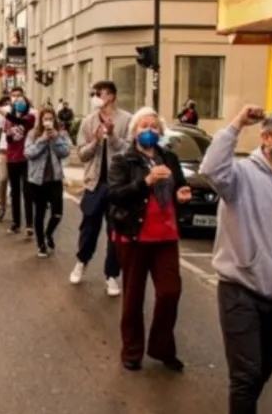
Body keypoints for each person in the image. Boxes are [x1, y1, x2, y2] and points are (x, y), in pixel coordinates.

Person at [199, 106, 272, 414]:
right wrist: (236, 123)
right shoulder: (240, 174)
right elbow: (210, 169)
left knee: (260, 373)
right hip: (240, 290)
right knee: (246, 377)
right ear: (265, 138)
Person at [108, 107, 190, 372]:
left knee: (170, 292)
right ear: (134, 131)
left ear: (161, 132)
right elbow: (116, 194)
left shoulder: (170, 158)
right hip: (134, 236)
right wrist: (146, 181)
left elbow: (178, 190)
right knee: (133, 297)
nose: (149, 131)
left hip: (166, 236)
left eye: (154, 127)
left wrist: (182, 197)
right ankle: (132, 351)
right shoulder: (124, 159)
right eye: (144, 126)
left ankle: (161, 346)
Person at [71, 80, 131, 296]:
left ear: (112, 96)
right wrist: (96, 141)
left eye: (100, 93)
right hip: (94, 184)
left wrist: (112, 135)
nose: (96, 97)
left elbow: (130, 151)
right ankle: (81, 261)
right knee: (89, 227)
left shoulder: (127, 120)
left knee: (115, 232)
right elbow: (81, 154)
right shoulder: (88, 122)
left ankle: (112, 275)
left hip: (118, 186)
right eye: (94, 93)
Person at [24, 108, 71, 257]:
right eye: (45, 119)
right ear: (41, 120)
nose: (48, 122)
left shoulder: (60, 133)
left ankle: (48, 233)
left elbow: (65, 152)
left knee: (57, 213)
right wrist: (42, 140)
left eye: (50, 119)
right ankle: (41, 244)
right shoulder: (33, 134)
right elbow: (28, 153)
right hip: (37, 180)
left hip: (55, 179)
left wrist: (56, 138)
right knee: (40, 212)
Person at [4, 88, 36, 237]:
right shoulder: (8, 121)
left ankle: (29, 224)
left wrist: (2, 112)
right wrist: (10, 134)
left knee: (27, 191)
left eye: (22, 101)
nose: (19, 103)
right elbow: (8, 139)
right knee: (14, 192)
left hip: (25, 158)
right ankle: (16, 223)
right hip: (12, 158)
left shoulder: (29, 118)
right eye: (16, 102)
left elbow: (20, 122)